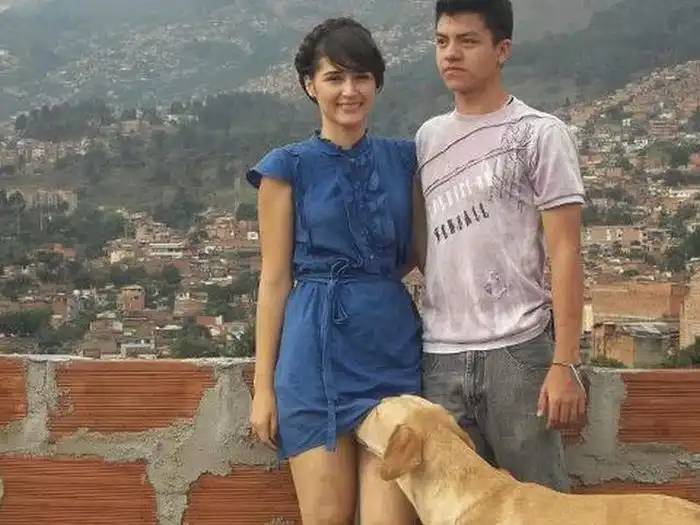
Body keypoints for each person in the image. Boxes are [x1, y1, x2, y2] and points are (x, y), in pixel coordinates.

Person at [247, 17, 421, 525]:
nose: (349, 90)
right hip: (312, 355)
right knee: (326, 518)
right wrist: (263, 387)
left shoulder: (405, 161)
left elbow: (418, 253)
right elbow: (274, 280)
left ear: (377, 83)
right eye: (334, 77)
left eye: (361, 76)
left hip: (391, 351)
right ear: (310, 85)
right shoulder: (285, 168)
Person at [411, 0, 587, 492]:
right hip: (439, 355)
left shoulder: (539, 134)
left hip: (519, 351)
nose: (451, 54)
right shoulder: (427, 138)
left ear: (502, 49)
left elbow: (566, 252)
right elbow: (424, 244)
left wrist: (564, 362)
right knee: (451, 508)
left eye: (468, 41)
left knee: (541, 507)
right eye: (442, 41)